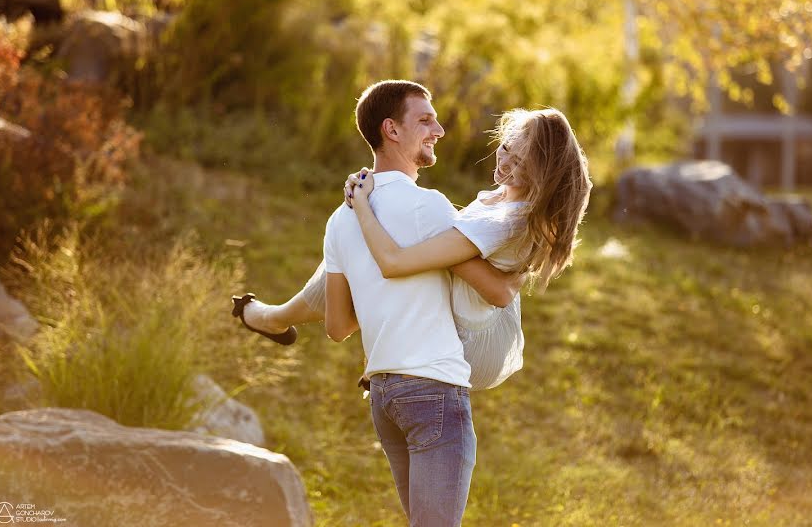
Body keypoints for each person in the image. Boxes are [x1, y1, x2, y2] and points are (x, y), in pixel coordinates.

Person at [237, 80, 522, 526]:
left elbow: (336, 326)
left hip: (385, 396)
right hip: (434, 392)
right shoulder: (430, 207)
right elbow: (497, 291)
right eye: (425, 120)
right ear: (391, 129)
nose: (439, 130)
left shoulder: (340, 218)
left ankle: (266, 316)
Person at [341, 107, 591, 390]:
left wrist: (362, 203)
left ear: (541, 173)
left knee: (409, 235)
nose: (505, 162)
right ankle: (282, 316)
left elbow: (393, 262)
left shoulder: (504, 222)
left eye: (519, 161)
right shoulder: (506, 197)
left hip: (472, 345)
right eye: (506, 147)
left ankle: (292, 317)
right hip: (481, 315)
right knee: (412, 230)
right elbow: (500, 286)